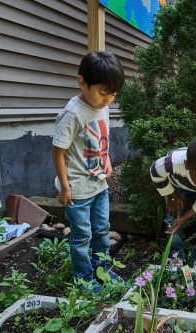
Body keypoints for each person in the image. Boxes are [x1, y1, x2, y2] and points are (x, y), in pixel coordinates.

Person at [51, 51, 125, 291]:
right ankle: (84, 278)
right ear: (82, 82)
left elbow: (100, 139)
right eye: (103, 93)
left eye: (112, 95)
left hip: (99, 185)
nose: (108, 100)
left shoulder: (101, 107)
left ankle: (102, 269)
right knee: (82, 237)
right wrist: (64, 187)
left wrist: (108, 160)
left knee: (102, 231)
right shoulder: (73, 113)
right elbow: (58, 151)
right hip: (78, 191)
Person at [150, 137, 196, 273]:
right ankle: (176, 255)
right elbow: (155, 171)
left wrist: (184, 218)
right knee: (173, 218)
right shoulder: (172, 163)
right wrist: (172, 196)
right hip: (177, 186)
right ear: (186, 165)